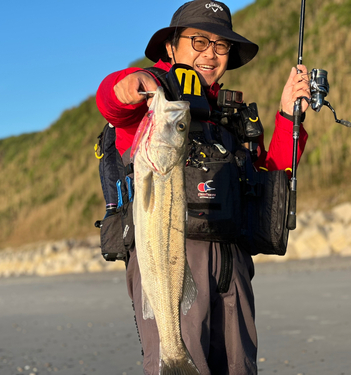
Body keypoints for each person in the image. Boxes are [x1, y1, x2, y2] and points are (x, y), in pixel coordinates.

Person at [96, 1, 310, 374]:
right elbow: (111, 102)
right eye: (198, 41)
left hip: (234, 263)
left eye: (220, 45)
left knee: (239, 367)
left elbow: (270, 174)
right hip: (172, 257)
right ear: (171, 47)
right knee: (180, 361)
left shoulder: (234, 116)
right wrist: (130, 84)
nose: (210, 54)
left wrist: (289, 115)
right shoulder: (155, 104)